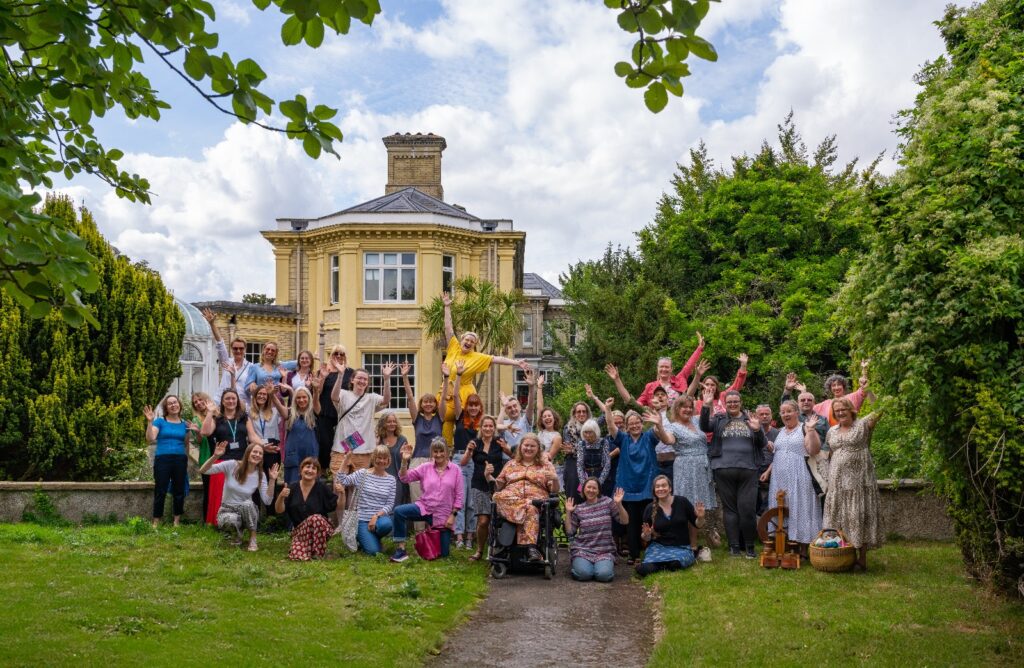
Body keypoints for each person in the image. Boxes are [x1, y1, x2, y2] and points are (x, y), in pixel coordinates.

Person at [439, 291, 530, 443]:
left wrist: (516, 362)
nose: (468, 342)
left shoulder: (477, 357)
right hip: (446, 390)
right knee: (443, 421)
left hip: (464, 393)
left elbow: (496, 358)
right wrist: (447, 307)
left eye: (472, 342)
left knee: (468, 424)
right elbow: (448, 329)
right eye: (467, 339)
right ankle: (446, 450)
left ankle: (473, 447)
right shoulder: (453, 346)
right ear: (462, 340)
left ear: (474, 346)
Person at [699, 387, 765, 558]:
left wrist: (757, 429)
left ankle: (749, 546)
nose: (733, 404)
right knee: (730, 510)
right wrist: (706, 406)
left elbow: (762, 443)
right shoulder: (720, 419)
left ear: (740, 403)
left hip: (748, 469)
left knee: (747, 509)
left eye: (736, 401)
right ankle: (733, 547)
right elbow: (704, 426)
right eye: (729, 402)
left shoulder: (750, 419)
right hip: (723, 468)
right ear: (726, 405)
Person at [823, 397, 883, 570]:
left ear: (851, 410)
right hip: (837, 482)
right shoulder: (832, 431)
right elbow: (829, 454)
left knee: (857, 514)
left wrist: (868, 388)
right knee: (839, 516)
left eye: (843, 409)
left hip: (858, 482)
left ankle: (861, 558)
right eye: (837, 411)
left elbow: (880, 408)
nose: (840, 413)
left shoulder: (862, 425)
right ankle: (842, 555)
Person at [662, 395, 719, 559]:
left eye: (689, 406)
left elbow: (708, 421)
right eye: (683, 407)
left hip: (701, 466)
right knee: (687, 505)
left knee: (699, 505)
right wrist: (658, 426)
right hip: (685, 467)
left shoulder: (696, 420)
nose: (687, 409)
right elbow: (667, 440)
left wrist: (707, 403)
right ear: (676, 409)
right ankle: (690, 544)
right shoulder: (673, 427)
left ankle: (694, 543)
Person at [611, 407, 670, 564]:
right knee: (631, 523)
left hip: (647, 485)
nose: (635, 425)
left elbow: (662, 435)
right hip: (628, 486)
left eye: (637, 422)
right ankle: (634, 554)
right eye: (631, 423)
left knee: (649, 521)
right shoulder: (623, 438)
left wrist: (659, 423)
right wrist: (608, 409)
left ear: (641, 423)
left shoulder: (649, 436)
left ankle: (651, 552)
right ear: (627, 426)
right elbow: (611, 428)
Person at [391, 438, 464, 562]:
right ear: (432, 453)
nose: (439, 454)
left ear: (447, 452)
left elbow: (459, 496)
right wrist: (404, 460)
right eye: (435, 451)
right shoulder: (425, 467)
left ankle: (429, 539)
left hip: (443, 516)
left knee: (443, 555)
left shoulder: (456, 470)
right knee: (399, 511)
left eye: (441, 451)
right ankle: (401, 549)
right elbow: (404, 478)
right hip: (424, 508)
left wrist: (453, 515)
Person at [200, 389, 266, 525]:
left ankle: (245, 522)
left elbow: (252, 436)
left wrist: (264, 445)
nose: (231, 401)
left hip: (242, 461)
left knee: (242, 494)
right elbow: (205, 432)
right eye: (227, 399)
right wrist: (210, 412)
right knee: (220, 495)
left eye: (233, 399)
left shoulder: (244, 417)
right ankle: (219, 522)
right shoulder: (217, 418)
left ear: (237, 401)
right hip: (223, 460)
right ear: (223, 402)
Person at [491, 433, 559, 562]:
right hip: (512, 499)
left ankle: (530, 548)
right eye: (526, 445)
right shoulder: (511, 464)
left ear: (538, 448)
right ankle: (530, 546)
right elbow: (498, 486)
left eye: (532, 446)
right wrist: (488, 476)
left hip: (536, 501)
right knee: (497, 497)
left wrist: (555, 479)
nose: (529, 448)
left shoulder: (546, 465)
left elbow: (554, 490)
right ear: (520, 447)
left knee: (533, 509)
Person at [767, 400, 823, 554]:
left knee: (802, 508)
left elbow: (814, 450)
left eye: (789, 411)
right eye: (783, 412)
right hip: (780, 478)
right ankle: (785, 546)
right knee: (782, 509)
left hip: (800, 477)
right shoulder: (780, 432)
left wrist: (811, 431)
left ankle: (804, 548)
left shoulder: (804, 428)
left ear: (797, 412)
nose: (786, 414)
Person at [199, 441, 277, 551]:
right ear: (248, 453)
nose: (257, 455)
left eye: (260, 453)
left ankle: (253, 538)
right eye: (255, 452)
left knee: (247, 504)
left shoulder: (260, 474)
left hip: (247, 511)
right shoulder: (232, 465)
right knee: (231, 520)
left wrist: (272, 480)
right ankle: (237, 536)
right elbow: (204, 470)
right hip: (227, 510)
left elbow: (268, 501)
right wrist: (215, 456)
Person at [330, 362, 393, 476]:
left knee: (358, 489)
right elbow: (334, 396)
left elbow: (386, 400)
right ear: (352, 380)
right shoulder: (344, 394)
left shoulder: (371, 398)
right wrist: (340, 375)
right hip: (341, 450)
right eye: (359, 378)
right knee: (338, 485)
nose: (362, 381)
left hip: (363, 451)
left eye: (365, 379)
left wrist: (387, 379)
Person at [462, 415, 510, 560]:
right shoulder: (475, 443)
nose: (488, 428)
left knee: (498, 520)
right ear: (480, 428)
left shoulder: (498, 442)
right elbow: (463, 462)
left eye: (491, 426)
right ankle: (480, 550)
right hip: (479, 484)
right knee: (483, 521)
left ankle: (497, 549)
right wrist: (469, 451)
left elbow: (513, 456)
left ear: (494, 428)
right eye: (485, 426)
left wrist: (507, 448)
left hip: (497, 485)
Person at [636, 475, 705, 577]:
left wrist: (700, 518)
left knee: (676, 564)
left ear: (670, 488)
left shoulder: (682, 502)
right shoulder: (650, 508)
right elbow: (646, 537)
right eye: (657, 486)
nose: (661, 489)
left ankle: (663, 565)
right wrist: (646, 534)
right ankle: (662, 565)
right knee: (644, 569)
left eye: (664, 485)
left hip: (681, 548)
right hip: (658, 548)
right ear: (654, 490)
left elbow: (697, 525)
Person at [335, 446, 398, 556]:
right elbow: (342, 480)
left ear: (388, 460)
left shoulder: (391, 480)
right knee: (374, 552)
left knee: (387, 524)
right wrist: (346, 459)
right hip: (362, 520)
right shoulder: (362, 474)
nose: (382, 461)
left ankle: (371, 537)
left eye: (385, 458)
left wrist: (376, 516)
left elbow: (389, 504)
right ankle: (366, 539)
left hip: (379, 519)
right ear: (374, 458)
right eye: (379, 457)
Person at [275, 457, 338, 560]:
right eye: (307, 467)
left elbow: (335, 505)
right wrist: (281, 496)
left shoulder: (322, 488)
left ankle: (318, 554)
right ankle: (309, 550)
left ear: (317, 473)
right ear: (301, 470)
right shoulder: (292, 487)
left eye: (314, 468)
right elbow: (279, 510)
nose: (310, 470)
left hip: (321, 529)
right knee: (296, 556)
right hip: (300, 531)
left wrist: (342, 493)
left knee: (316, 518)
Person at [565, 481, 628, 582]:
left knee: (604, 576)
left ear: (598, 490)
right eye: (588, 487)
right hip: (583, 550)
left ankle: (600, 567)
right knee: (584, 575)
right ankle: (583, 566)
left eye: (594, 488)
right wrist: (568, 512)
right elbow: (570, 531)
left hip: (605, 551)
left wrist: (619, 504)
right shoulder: (579, 508)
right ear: (583, 489)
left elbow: (624, 521)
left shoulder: (607, 502)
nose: (591, 490)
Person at [144, 396, 190, 528]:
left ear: (179, 404)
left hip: (180, 459)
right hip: (163, 459)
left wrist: (184, 460)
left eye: (175, 402)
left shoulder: (185, 424)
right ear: (166, 408)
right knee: (160, 490)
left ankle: (176, 521)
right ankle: (156, 520)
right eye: (169, 404)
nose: (173, 405)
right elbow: (151, 438)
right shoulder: (160, 421)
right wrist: (149, 422)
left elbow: (186, 444)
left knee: (179, 490)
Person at [203, 308, 254, 406]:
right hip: (222, 403)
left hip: (241, 405)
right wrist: (212, 324)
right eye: (235, 348)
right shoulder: (227, 362)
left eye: (241, 348)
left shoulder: (251, 367)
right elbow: (220, 344)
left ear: (245, 349)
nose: (238, 351)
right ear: (231, 349)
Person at [315, 345, 355, 471]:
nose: (338, 356)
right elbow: (318, 392)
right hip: (325, 413)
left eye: (341, 354)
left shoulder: (351, 372)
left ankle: (348, 468)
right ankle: (325, 471)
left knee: (348, 443)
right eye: (335, 353)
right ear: (331, 356)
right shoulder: (322, 371)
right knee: (325, 444)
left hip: (345, 414)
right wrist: (323, 377)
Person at [573, 390, 616, 501]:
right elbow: (579, 465)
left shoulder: (604, 442)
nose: (588, 435)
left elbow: (607, 463)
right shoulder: (581, 444)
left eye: (590, 432)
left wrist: (599, 483)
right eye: (585, 432)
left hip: (602, 476)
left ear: (596, 431)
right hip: (586, 477)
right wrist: (584, 484)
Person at [283, 384, 321, 485]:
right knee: (292, 485)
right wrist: (273, 396)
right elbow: (281, 410)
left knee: (311, 485)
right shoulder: (291, 413)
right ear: (295, 399)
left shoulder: (313, 413)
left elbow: (316, 403)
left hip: (310, 453)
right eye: (298, 397)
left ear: (309, 398)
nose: (301, 400)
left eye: (304, 397)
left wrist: (316, 391)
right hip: (293, 455)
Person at [815, 360, 871, 426]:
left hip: (851, 432)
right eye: (833, 385)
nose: (836, 387)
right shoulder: (826, 404)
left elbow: (863, 387)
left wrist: (864, 371)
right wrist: (803, 392)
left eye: (839, 385)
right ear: (830, 389)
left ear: (843, 386)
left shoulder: (852, 397)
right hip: (833, 434)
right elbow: (810, 407)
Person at [189, 391, 217, 520]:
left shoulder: (219, 415)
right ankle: (207, 519)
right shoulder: (196, 419)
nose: (198, 403)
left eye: (200, 400)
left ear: (206, 399)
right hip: (207, 456)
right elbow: (199, 441)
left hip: (221, 455)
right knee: (209, 490)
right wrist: (198, 432)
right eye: (195, 402)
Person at [755, 403, 779, 516]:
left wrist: (768, 471)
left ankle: (761, 515)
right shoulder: (751, 432)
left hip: (772, 468)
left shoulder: (778, 433)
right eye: (761, 414)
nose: (764, 416)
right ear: (756, 416)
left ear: (771, 416)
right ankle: (758, 514)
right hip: (754, 468)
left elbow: (779, 457)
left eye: (767, 414)